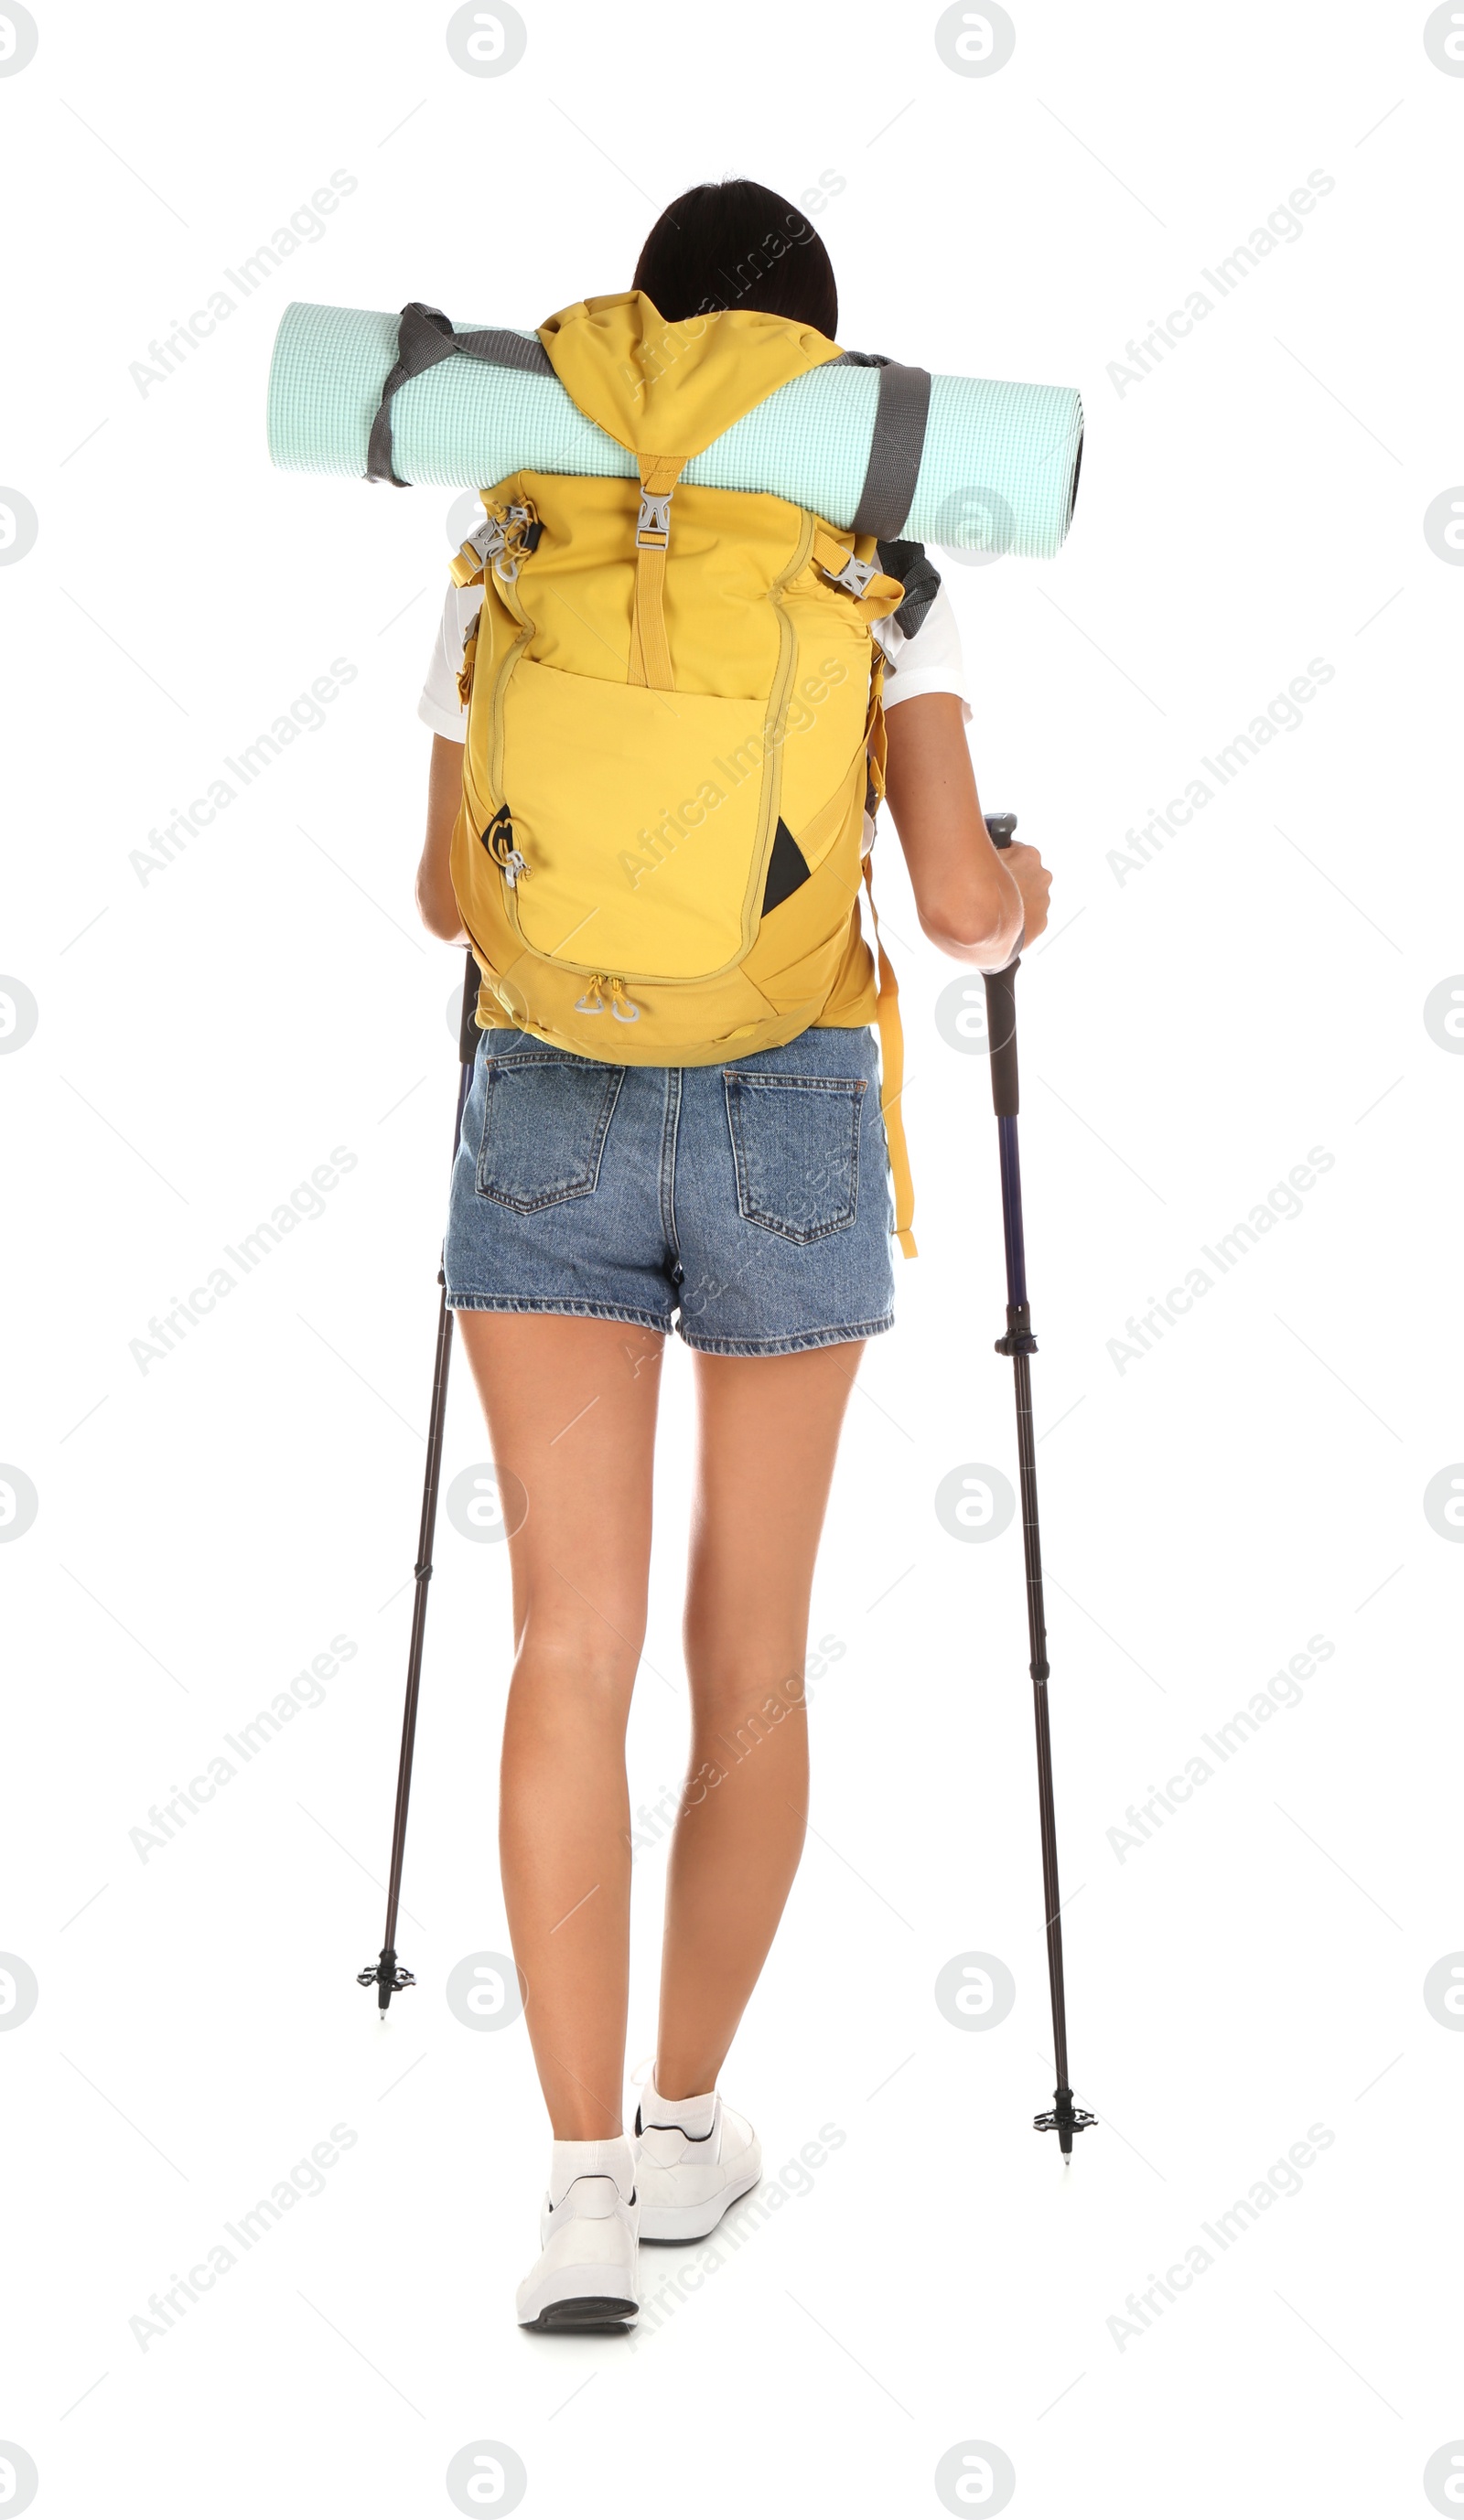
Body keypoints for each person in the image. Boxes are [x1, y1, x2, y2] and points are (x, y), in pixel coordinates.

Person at [413, 178, 1052, 2330]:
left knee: (561, 1652)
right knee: (743, 1656)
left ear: (629, 334)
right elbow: (957, 906)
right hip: (781, 1103)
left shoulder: (514, 523)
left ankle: (576, 2187)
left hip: (544, 1105)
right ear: (813, 367)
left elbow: (443, 897)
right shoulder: (869, 555)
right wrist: (1021, 887)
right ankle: (692, 2124)